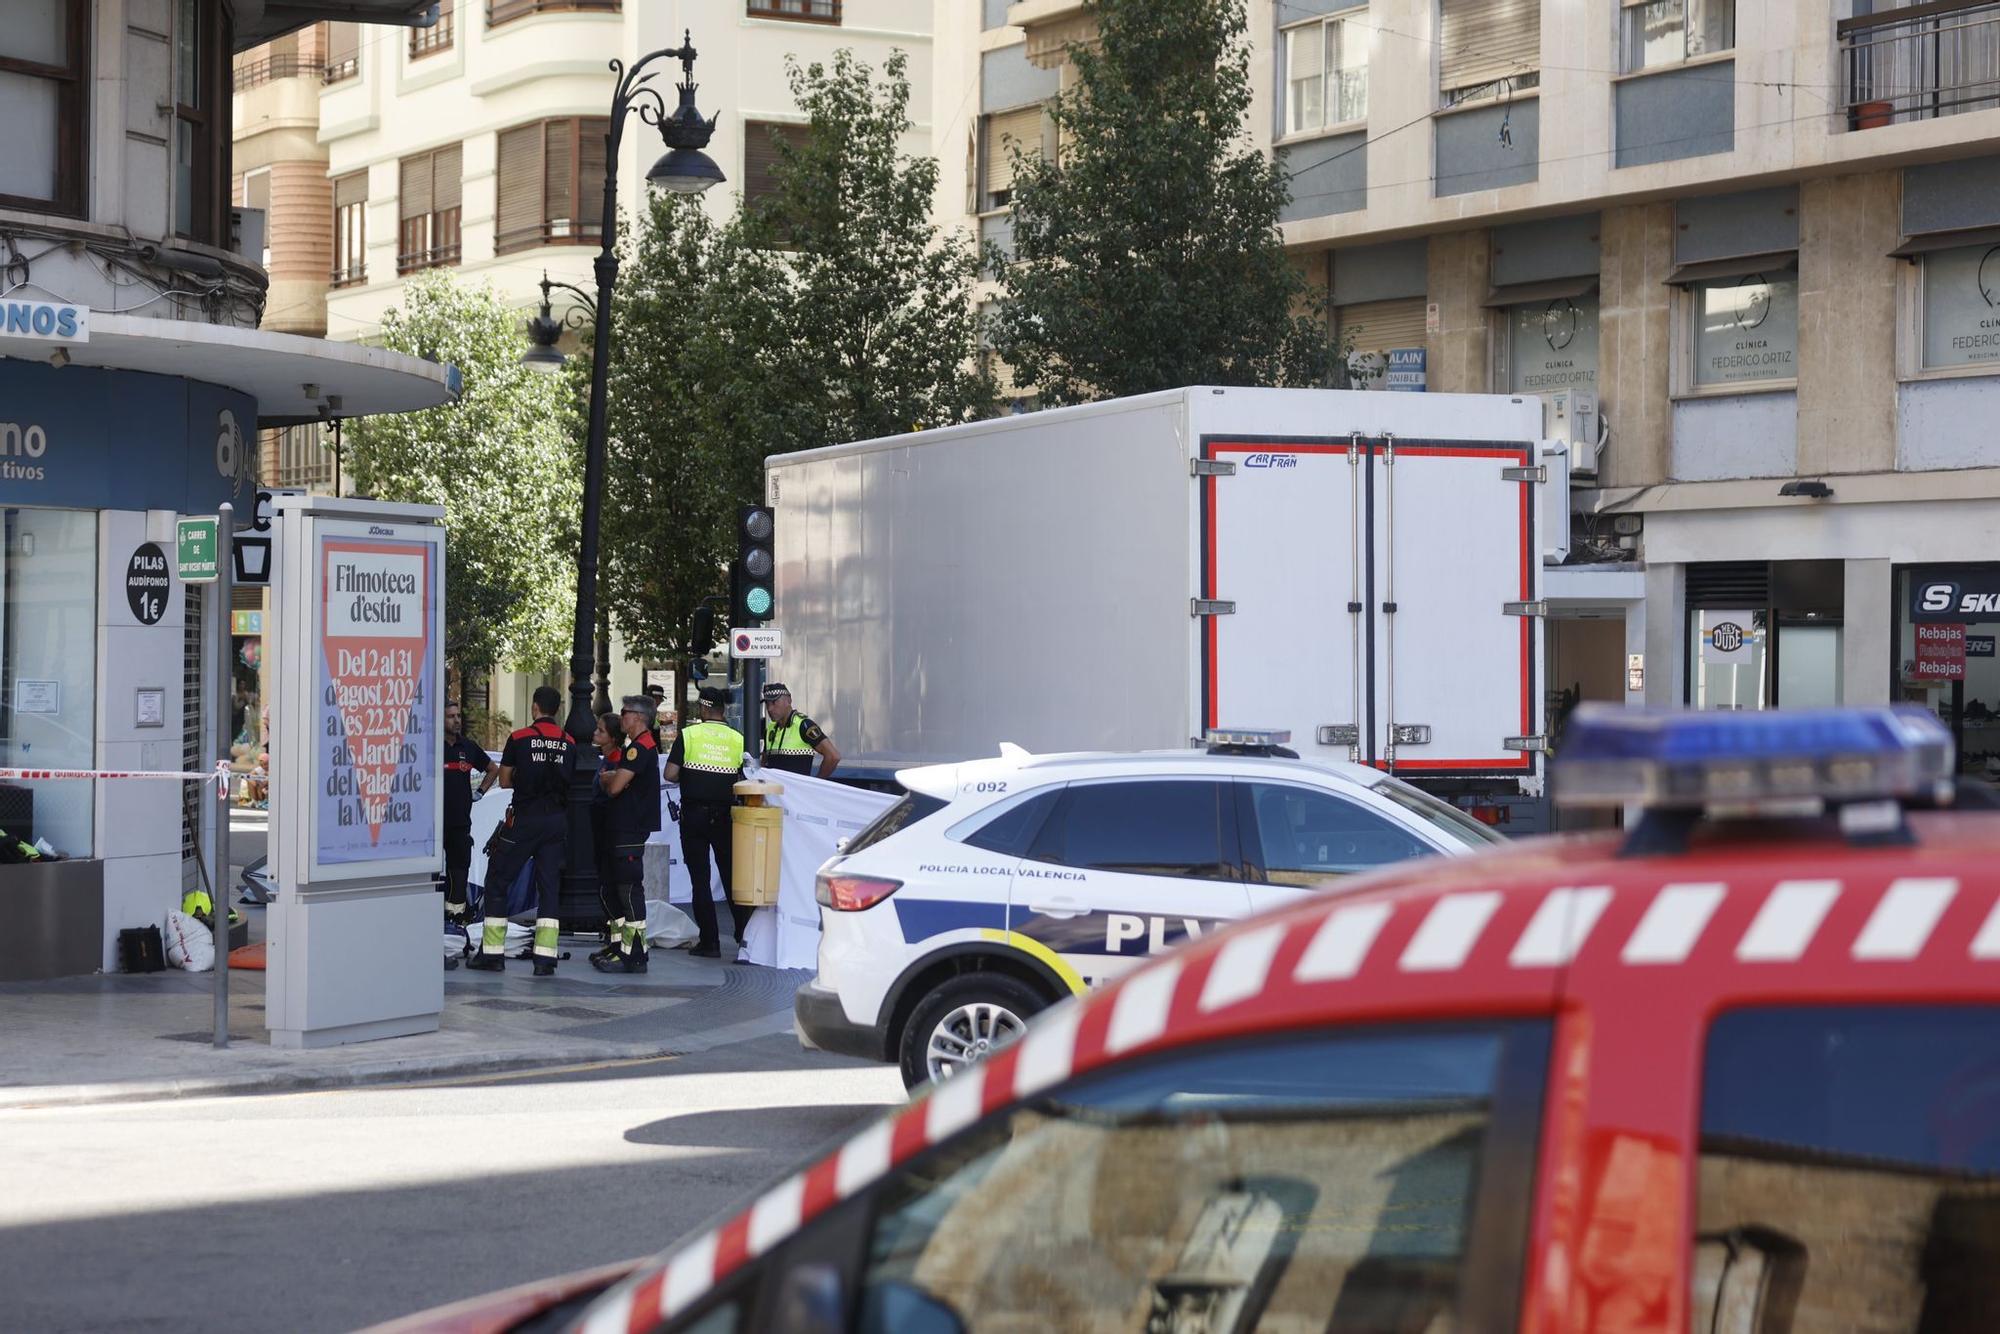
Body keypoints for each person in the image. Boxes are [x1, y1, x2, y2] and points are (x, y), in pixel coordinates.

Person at [469, 685, 575, 976]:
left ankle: (492, 954)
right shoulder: (569, 741)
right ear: (557, 709)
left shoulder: (520, 738)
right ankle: (545, 960)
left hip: (525, 819)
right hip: (556, 821)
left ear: (534, 707)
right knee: (549, 888)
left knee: (498, 880)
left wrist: (523, 777)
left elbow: (504, 781)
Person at [665, 686, 746, 958]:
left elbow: (670, 773)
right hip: (725, 816)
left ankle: (709, 942)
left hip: (695, 816)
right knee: (732, 877)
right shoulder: (737, 738)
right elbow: (741, 779)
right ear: (722, 710)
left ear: (702, 708)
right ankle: (744, 936)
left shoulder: (689, 735)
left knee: (700, 880)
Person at [594, 695, 663, 973]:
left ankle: (635, 953)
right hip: (622, 827)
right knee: (613, 888)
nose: (621, 717)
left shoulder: (640, 747)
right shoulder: (633, 746)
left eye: (624, 713)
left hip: (630, 828)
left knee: (629, 889)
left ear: (638, 717)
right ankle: (620, 946)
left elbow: (614, 786)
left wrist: (610, 778)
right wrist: (613, 777)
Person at [441, 701, 496, 923]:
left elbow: (493, 769)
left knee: (459, 867)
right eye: (450, 716)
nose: (456, 720)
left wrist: (480, 792)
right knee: (432, 871)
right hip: (435, 822)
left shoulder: (468, 747)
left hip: (460, 820)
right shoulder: (432, 746)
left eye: (458, 716)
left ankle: (456, 913)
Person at [588, 710, 624, 967]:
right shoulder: (606, 760)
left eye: (601, 730)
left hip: (610, 830)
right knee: (606, 888)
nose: (595, 733)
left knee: (613, 888)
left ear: (612, 737)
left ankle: (619, 942)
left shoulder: (616, 762)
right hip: (601, 830)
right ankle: (613, 940)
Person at [760, 682, 840, 779]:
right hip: (774, 792)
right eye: (767, 704)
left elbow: (833, 757)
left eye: (774, 702)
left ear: (788, 700)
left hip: (795, 793)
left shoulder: (804, 725)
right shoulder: (770, 729)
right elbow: (764, 762)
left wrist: (816, 783)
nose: (770, 708)